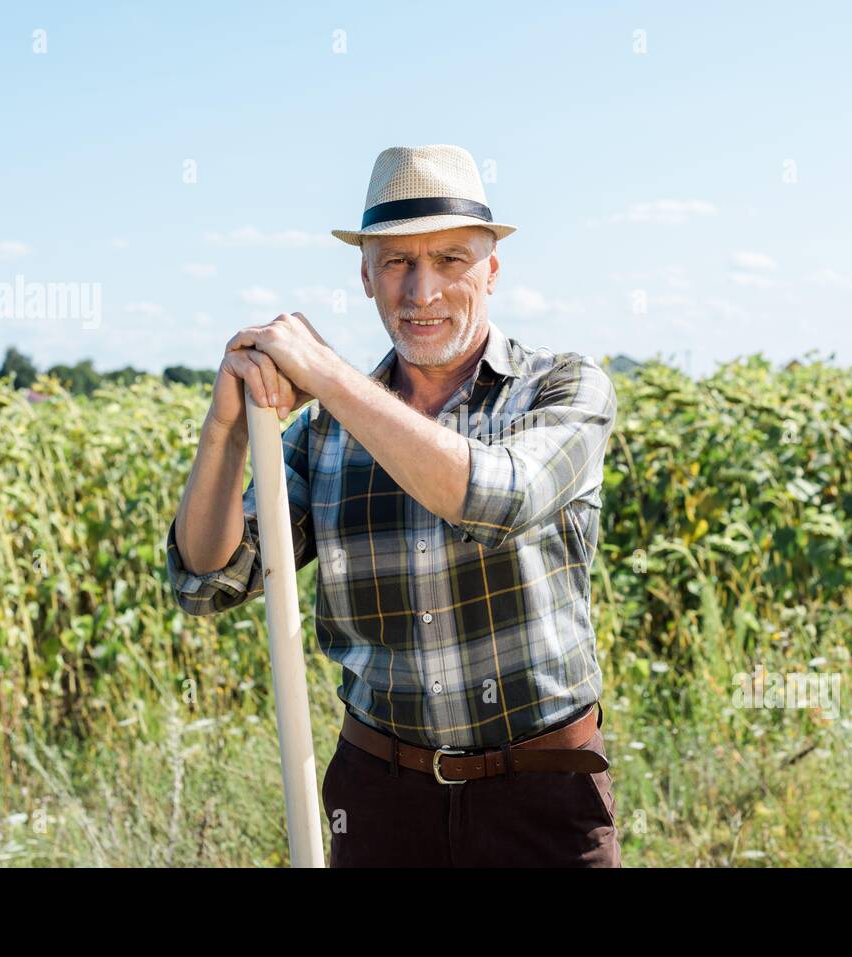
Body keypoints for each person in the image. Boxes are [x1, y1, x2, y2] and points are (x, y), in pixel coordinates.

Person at [166, 144, 621, 866]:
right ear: (366, 276)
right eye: (397, 263)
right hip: (379, 800)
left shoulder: (564, 388)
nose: (422, 292)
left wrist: (332, 376)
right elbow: (209, 577)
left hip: (542, 796)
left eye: (449, 260)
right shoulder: (322, 435)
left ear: (492, 270)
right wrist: (224, 430)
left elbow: (497, 498)